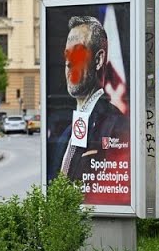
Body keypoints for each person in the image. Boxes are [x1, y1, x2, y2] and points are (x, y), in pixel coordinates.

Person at [48, 16, 130, 198]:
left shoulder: (117, 125)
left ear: (99, 60)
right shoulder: (67, 132)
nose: (69, 62)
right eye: (67, 54)